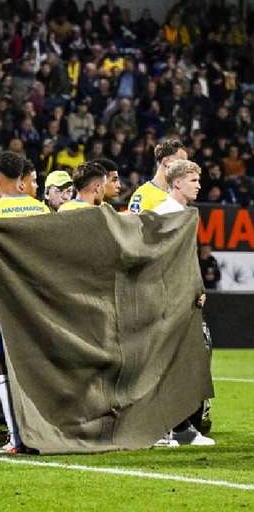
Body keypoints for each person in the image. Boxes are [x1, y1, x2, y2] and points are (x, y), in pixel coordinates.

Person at [0, 152, 48, 454]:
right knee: (19, 364)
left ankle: (3, 435)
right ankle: (17, 434)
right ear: (24, 177)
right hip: (31, 300)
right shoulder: (40, 210)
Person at [152, 159, 214, 447]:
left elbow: (186, 260)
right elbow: (157, 259)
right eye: (193, 180)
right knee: (166, 363)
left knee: (185, 361)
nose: (199, 185)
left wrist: (197, 287)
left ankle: (181, 427)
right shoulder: (165, 213)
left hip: (183, 298)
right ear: (176, 182)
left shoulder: (185, 213)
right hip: (166, 300)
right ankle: (167, 428)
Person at [127, 139, 186, 214]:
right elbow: (135, 224)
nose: (185, 166)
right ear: (166, 162)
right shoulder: (143, 195)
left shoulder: (178, 195)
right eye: (181, 161)